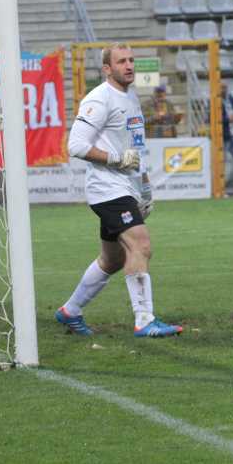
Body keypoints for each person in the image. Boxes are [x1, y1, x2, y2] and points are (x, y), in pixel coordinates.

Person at [57, 43, 182, 338]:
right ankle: (144, 320)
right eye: (121, 61)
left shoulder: (130, 96)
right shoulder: (99, 99)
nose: (129, 66)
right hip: (107, 189)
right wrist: (115, 159)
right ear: (106, 69)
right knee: (140, 245)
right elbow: (75, 146)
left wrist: (145, 187)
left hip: (126, 186)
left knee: (112, 259)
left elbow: (133, 148)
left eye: (131, 60)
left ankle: (70, 311)